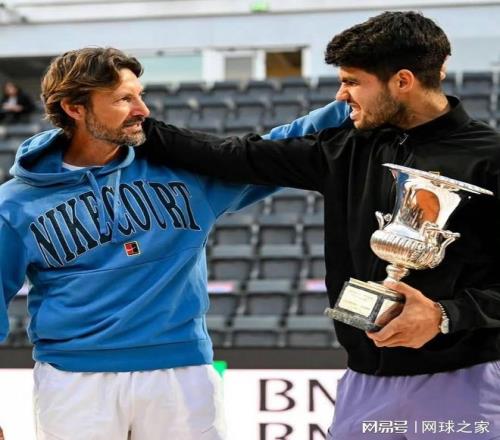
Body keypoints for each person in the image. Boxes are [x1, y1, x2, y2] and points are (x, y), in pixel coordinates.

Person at [141, 11, 500, 439]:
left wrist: (445, 315)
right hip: (364, 383)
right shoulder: (346, 148)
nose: (341, 94)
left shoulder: (490, 158)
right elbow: (235, 155)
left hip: (468, 379)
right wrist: (138, 127)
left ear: (402, 81)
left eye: (352, 81)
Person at [0, 47, 349, 440]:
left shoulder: (185, 172)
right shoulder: (15, 204)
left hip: (181, 371)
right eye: (123, 99)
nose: (142, 110)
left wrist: (345, 107)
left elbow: (273, 150)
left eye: (140, 95)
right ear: (74, 108)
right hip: (74, 379)